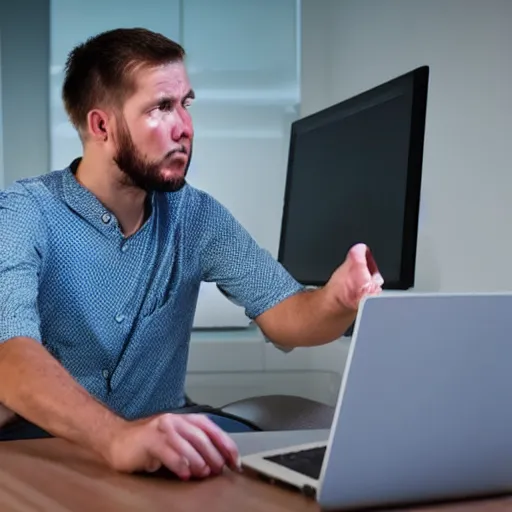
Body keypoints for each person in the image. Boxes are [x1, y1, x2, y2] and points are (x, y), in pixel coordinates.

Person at [0, 28, 383, 480]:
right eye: (162, 107)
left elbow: (287, 313)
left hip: (165, 449)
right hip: (47, 452)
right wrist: (116, 437)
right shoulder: (23, 213)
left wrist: (336, 299)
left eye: (186, 103)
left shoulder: (195, 214)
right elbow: (11, 353)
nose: (185, 127)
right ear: (102, 125)